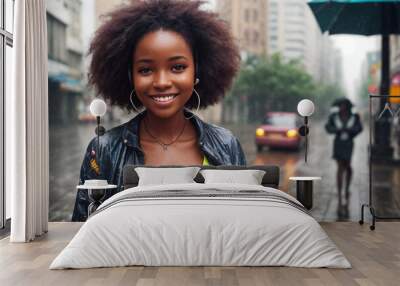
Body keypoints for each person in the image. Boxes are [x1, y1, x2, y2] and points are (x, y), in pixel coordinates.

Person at [72, 0, 246, 221]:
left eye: (177, 67)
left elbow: (242, 225)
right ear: (130, 77)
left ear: (197, 71)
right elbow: (82, 231)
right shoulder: (104, 150)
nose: (162, 82)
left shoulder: (226, 144)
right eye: (145, 69)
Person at [325, 98, 362, 212]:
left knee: (348, 166)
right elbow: (328, 127)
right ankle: (340, 191)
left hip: (349, 143)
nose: (341, 107)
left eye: (344, 105)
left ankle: (347, 187)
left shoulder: (354, 117)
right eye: (340, 105)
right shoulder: (334, 116)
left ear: (348, 107)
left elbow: (359, 128)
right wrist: (337, 130)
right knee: (340, 166)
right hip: (338, 143)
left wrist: (351, 131)